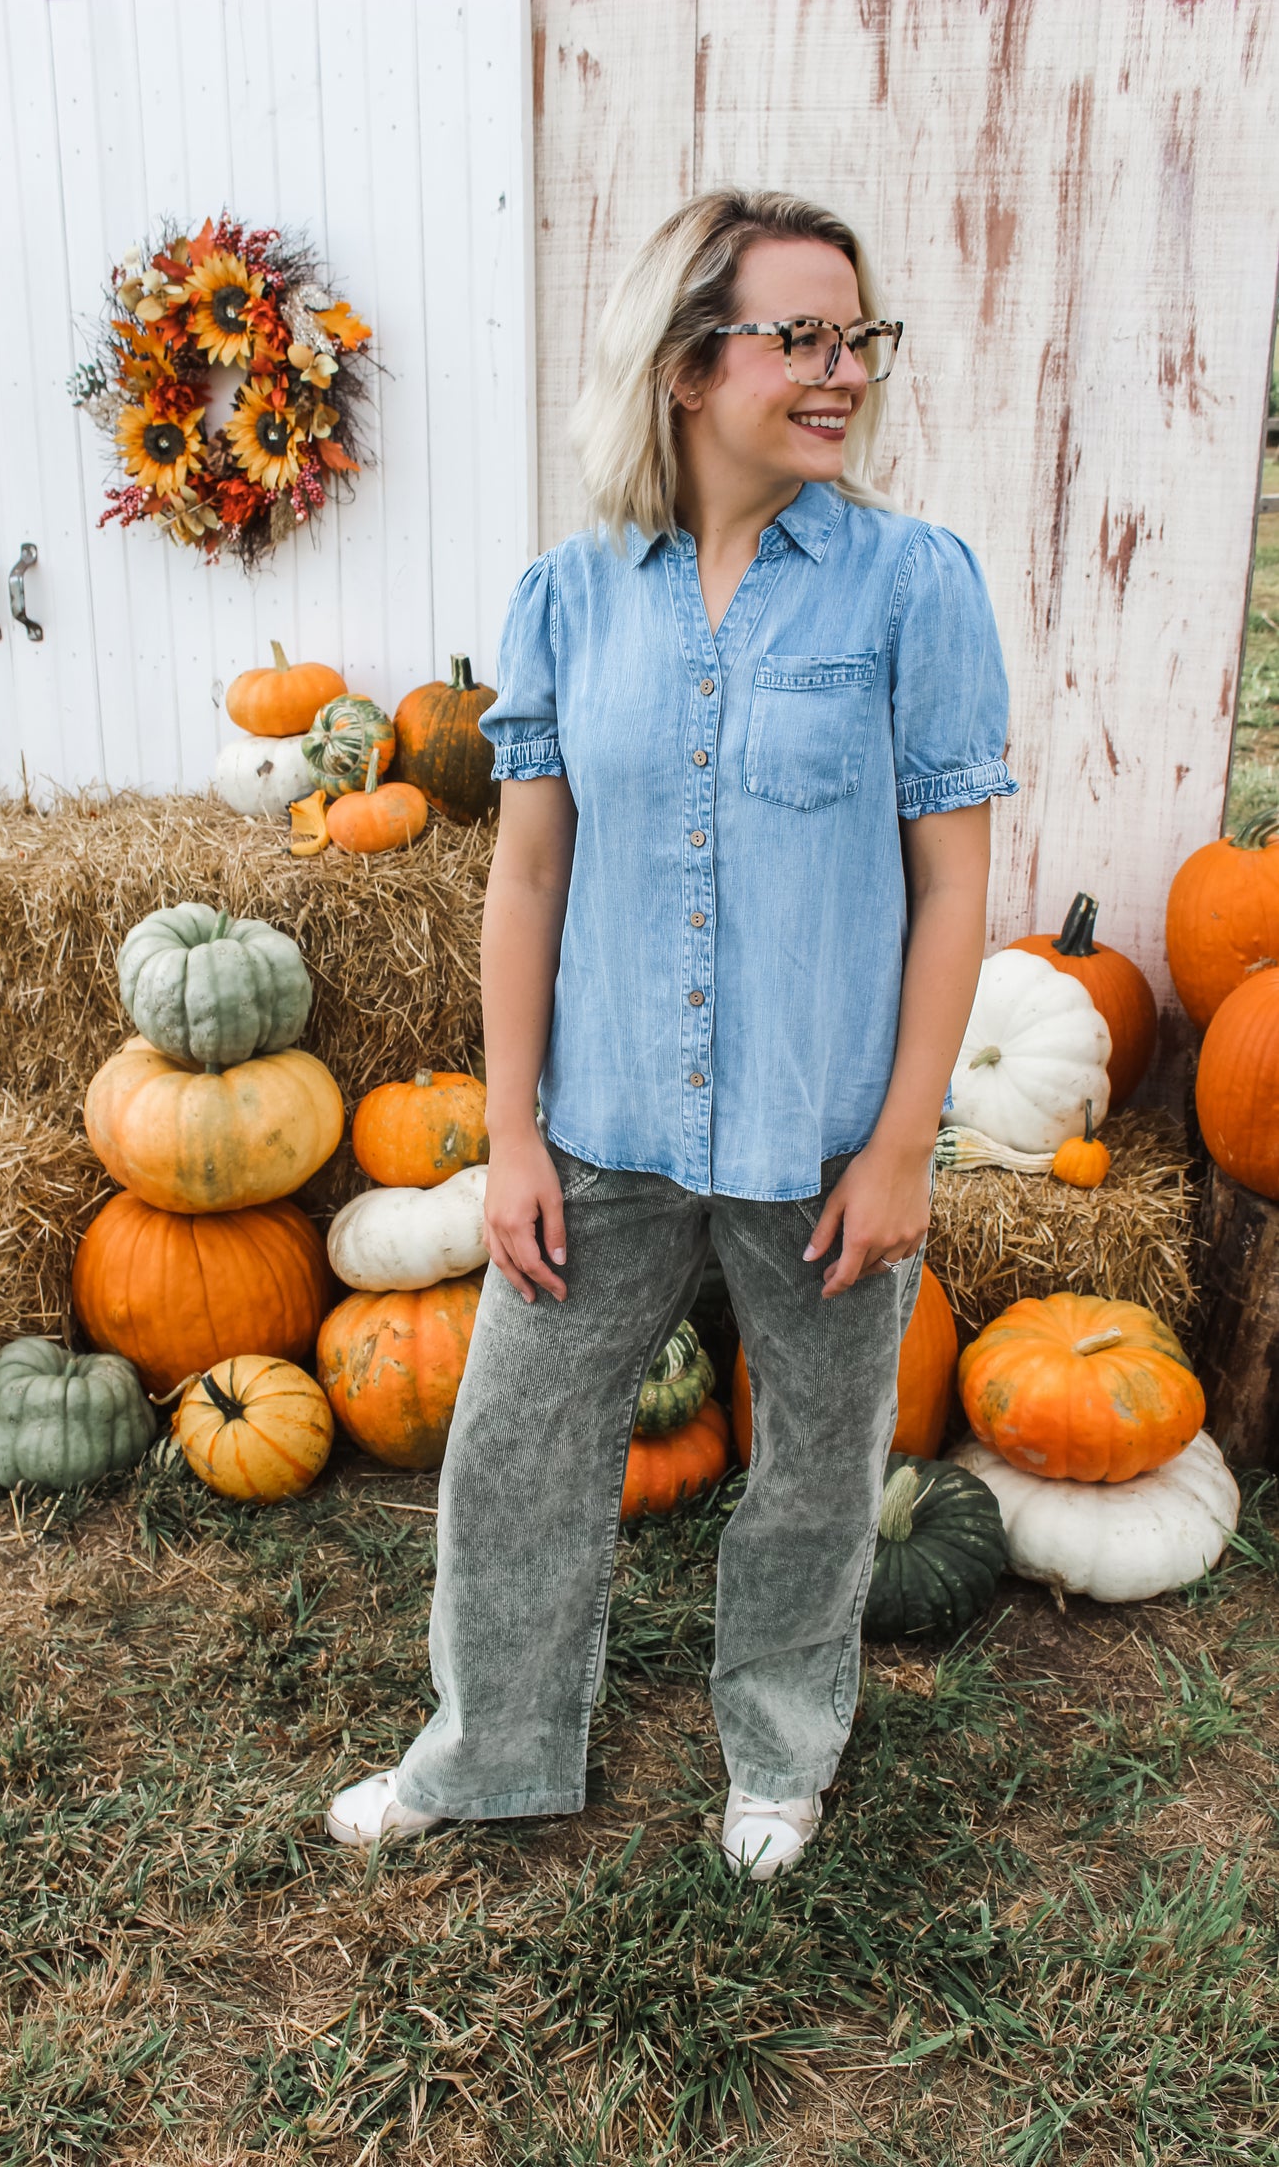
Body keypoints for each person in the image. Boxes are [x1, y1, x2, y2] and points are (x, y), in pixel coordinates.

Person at [326, 188, 1015, 1879]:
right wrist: (508, 1134)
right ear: (686, 363)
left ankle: (779, 1749)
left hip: (822, 1135)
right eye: (801, 337)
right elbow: (527, 875)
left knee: (816, 1468)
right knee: (511, 1448)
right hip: (605, 1123)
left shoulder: (911, 586)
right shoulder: (568, 597)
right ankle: (486, 1750)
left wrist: (903, 1141)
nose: (841, 370)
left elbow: (950, 887)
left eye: (858, 336)